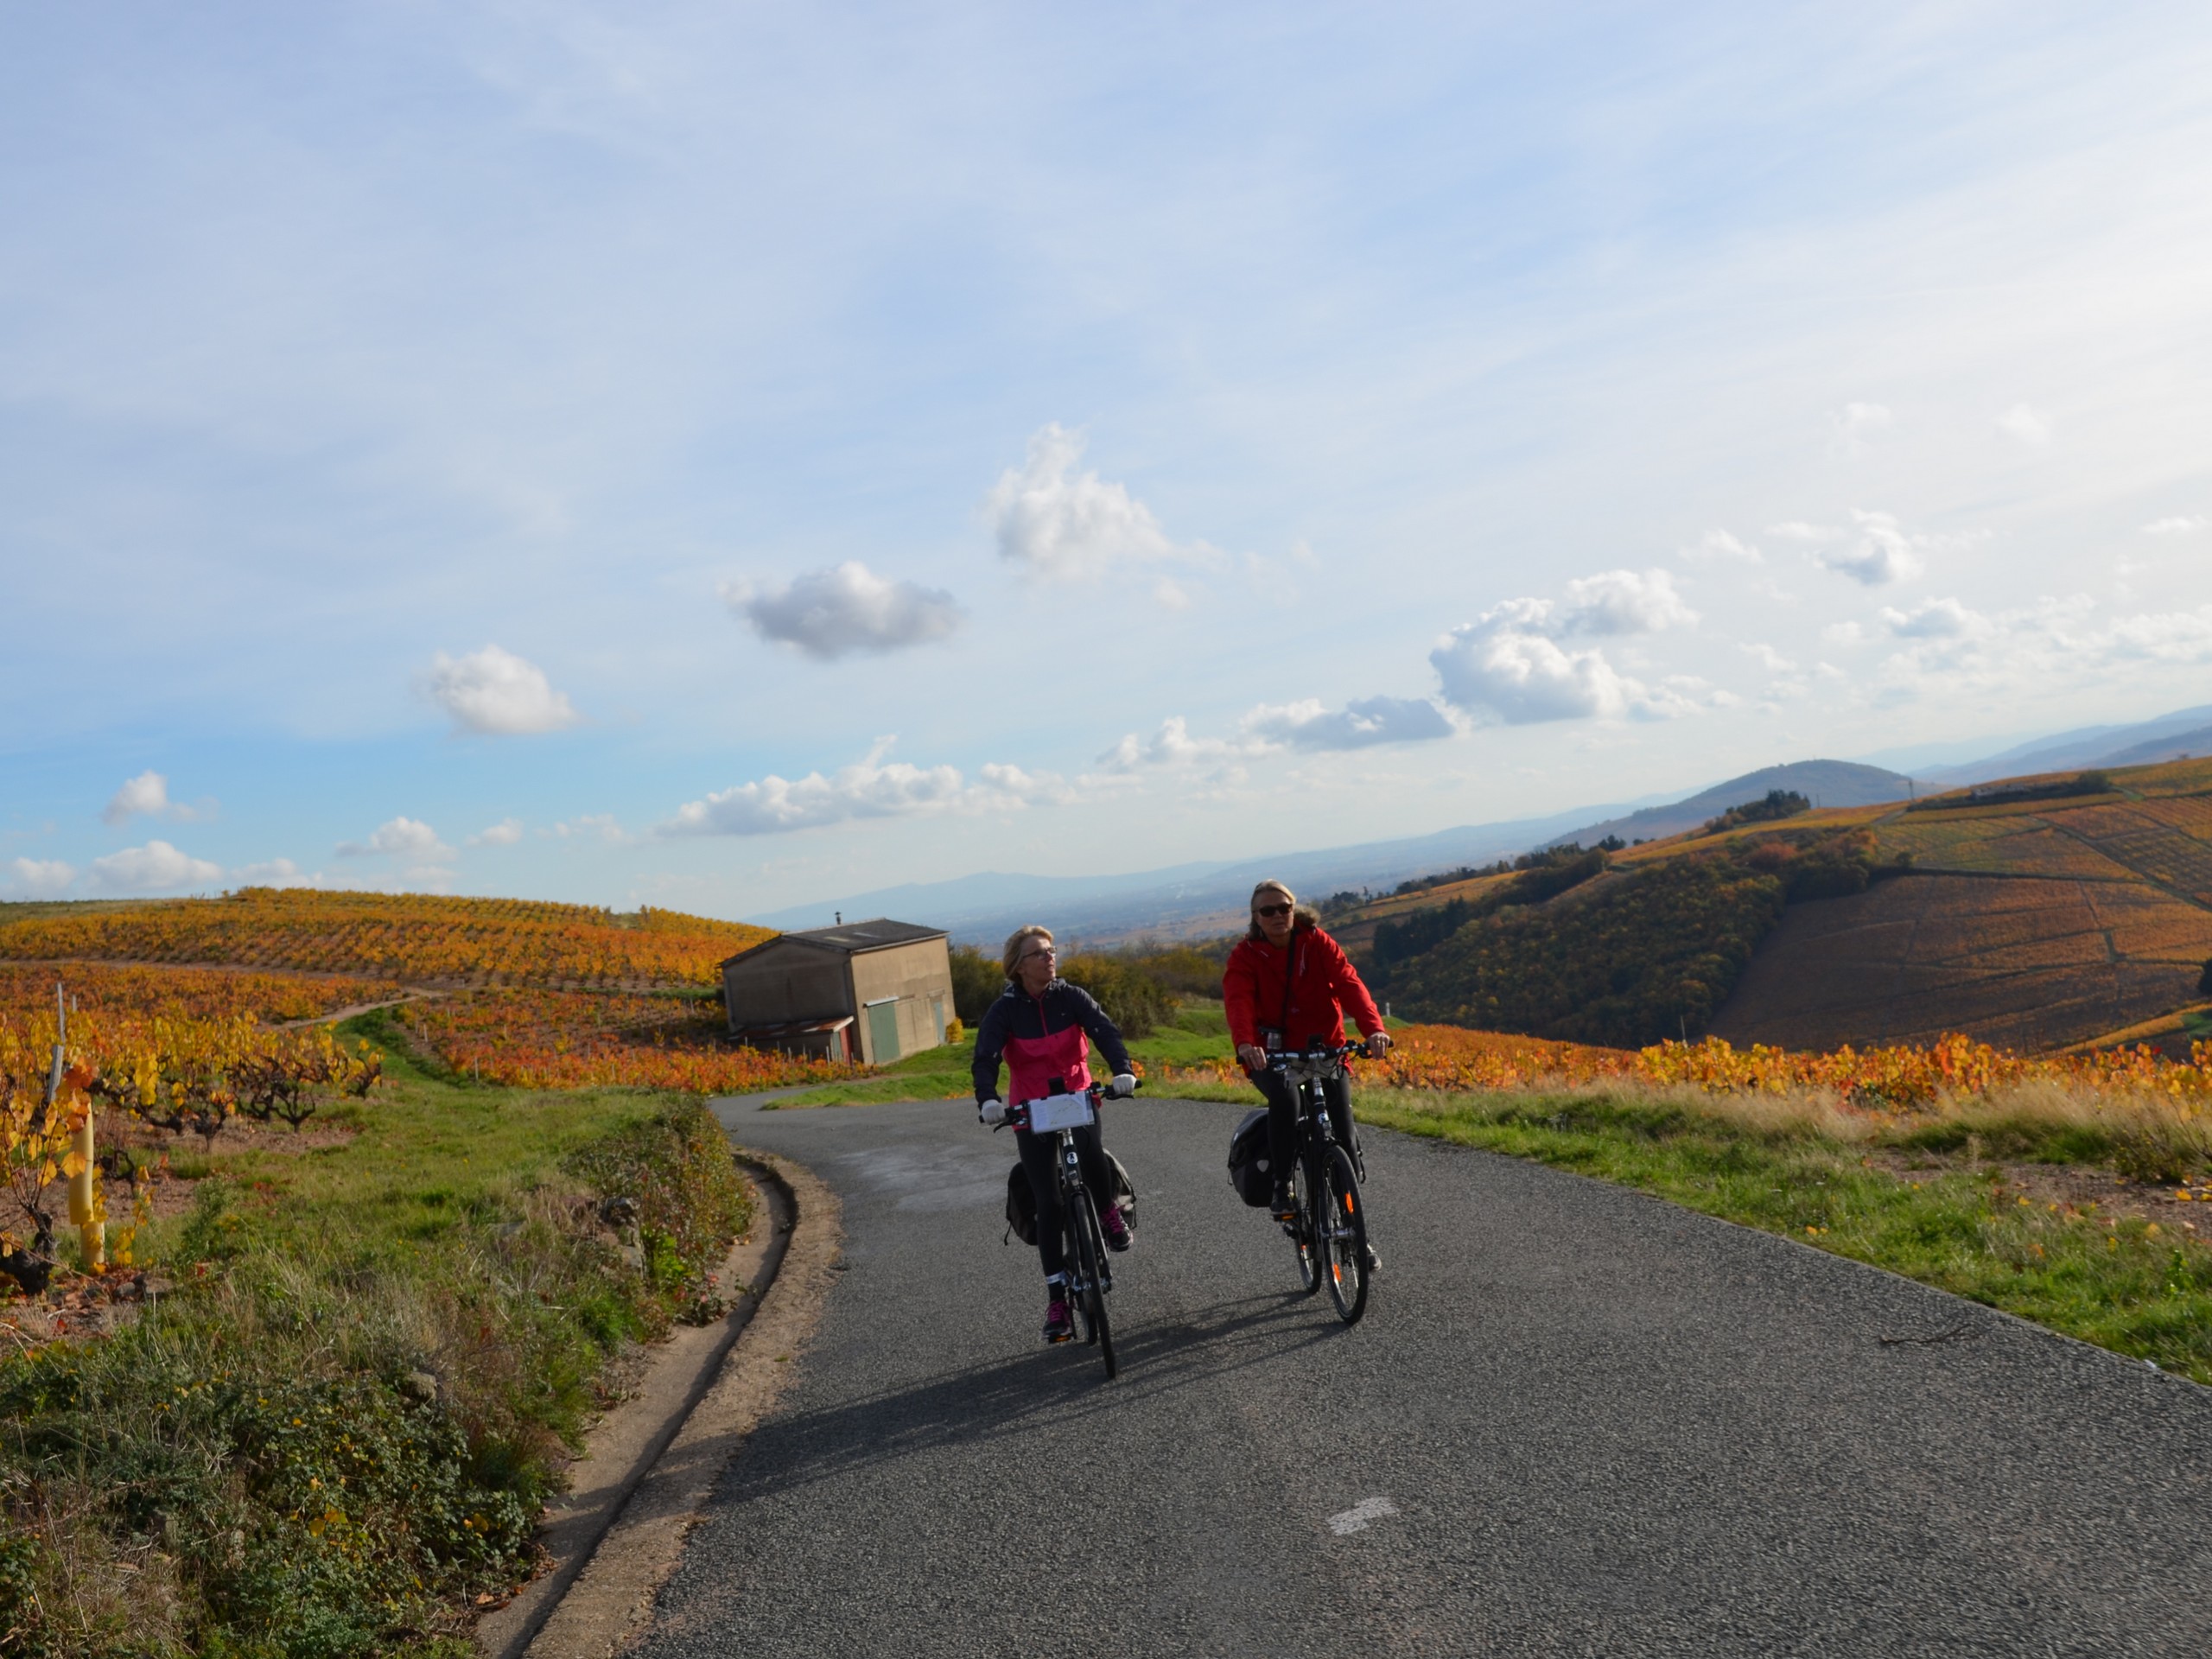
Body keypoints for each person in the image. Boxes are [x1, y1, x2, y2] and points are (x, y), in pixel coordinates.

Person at [973, 925, 1140, 1344]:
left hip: (1076, 1095)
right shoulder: (1005, 1010)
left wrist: (1122, 1070)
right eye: (1038, 953)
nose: (1049, 958)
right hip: (1030, 1109)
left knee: (1093, 1155)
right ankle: (1057, 1300)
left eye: (1051, 950)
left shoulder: (1072, 997)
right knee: (1048, 1200)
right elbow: (987, 1056)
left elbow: (1104, 1032)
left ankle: (1106, 1212)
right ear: (1018, 965)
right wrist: (988, 1100)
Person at [1223, 880, 1391, 1224]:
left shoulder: (1316, 941)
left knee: (1343, 1133)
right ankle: (1283, 1184)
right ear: (1256, 917)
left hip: (1324, 1048)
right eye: (1267, 911)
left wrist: (1373, 1028)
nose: (1277, 915)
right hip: (1272, 1055)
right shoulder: (1245, 956)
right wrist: (1245, 1044)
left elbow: (1348, 982)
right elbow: (1238, 1001)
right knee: (1286, 1102)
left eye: (1284, 908)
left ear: (1294, 908)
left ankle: (1352, 1223)